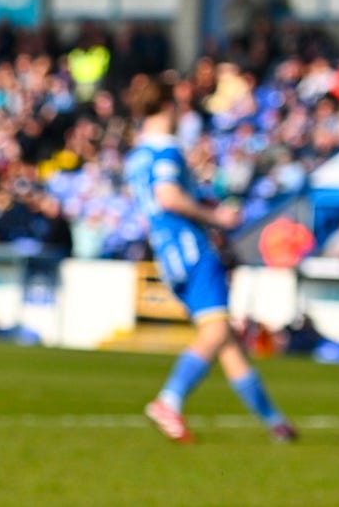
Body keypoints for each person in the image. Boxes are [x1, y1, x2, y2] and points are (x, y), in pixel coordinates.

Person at [125, 76, 294, 444]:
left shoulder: (136, 156)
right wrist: (216, 216)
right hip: (191, 249)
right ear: (167, 107)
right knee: (217, 332)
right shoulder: (166, 150)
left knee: (225, 340)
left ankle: (275, 422)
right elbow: (168, 196)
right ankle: (169, 400)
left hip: (167, 253)